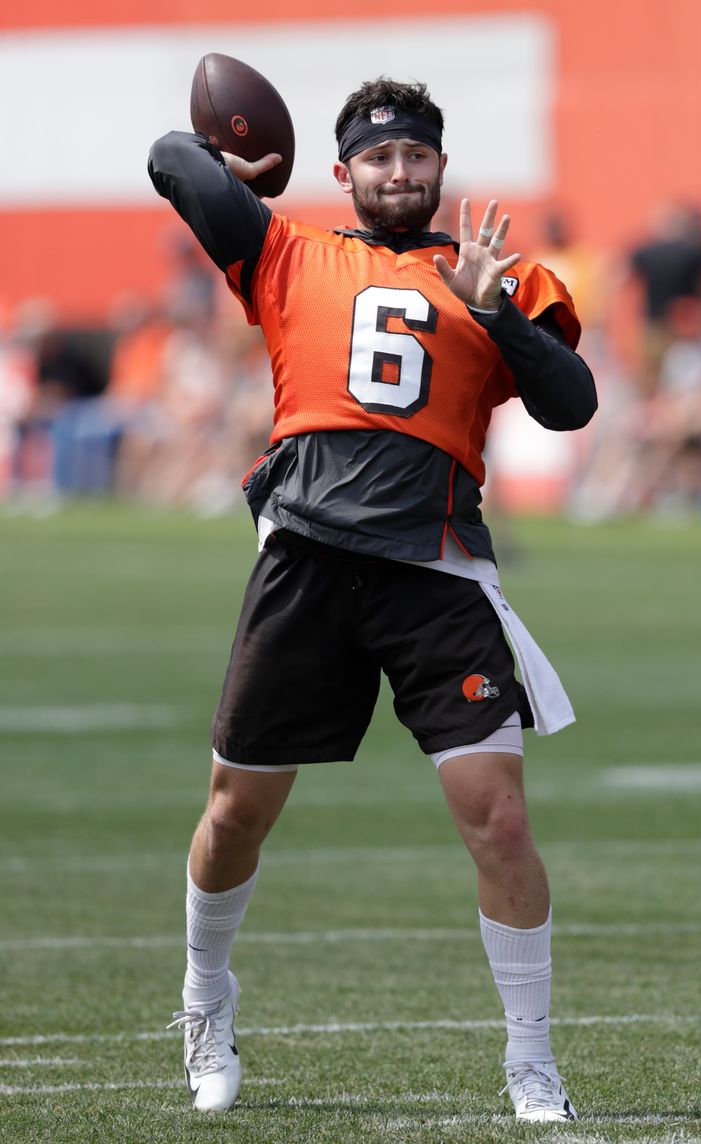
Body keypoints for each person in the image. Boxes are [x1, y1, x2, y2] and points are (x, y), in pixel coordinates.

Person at [149, 75, 597, 1124]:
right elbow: (173, 156)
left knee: (499, 816)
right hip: (305, 560)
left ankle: (530, 1058)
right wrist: (245, 165)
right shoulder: (288, 250)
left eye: (417, 157)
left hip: (434, 571)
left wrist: (497, 315)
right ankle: (205, 993)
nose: (400, 174)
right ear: (344, 172)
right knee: (236, 811)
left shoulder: (495, 271)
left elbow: (571, 404)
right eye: (380, 158)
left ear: (441, 169)